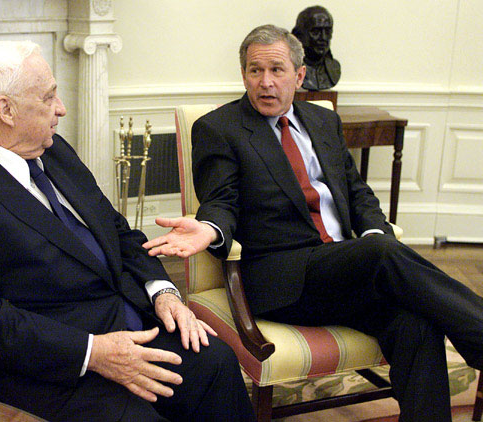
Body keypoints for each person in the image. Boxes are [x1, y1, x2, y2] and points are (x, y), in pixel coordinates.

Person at [0, 40, 255, 422]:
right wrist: (94, 353)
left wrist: (164, 293)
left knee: (216, 363)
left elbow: (115, 229)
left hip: (125, 322)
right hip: (50, 368)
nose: (61, 108)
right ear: (6, 110)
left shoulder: (50, 149)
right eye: (48, 97)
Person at [144, 24, 483, 422]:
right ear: (244, 75)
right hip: (283, 279)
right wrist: (210, 228)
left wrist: (374, 232)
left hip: (346, 271)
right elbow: (221, 200)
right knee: (380, 252)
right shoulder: (220, 128)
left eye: (277, 70)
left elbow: (357, 192)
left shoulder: (323, 122)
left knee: (415, 322)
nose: (265, 82)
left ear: (299, 75)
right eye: (255, 70)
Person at [292, 6, 340, 90]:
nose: (323, 37)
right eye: (315, 32)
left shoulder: (334, 68)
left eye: (327, 31)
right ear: (298, 35)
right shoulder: (291, 68)